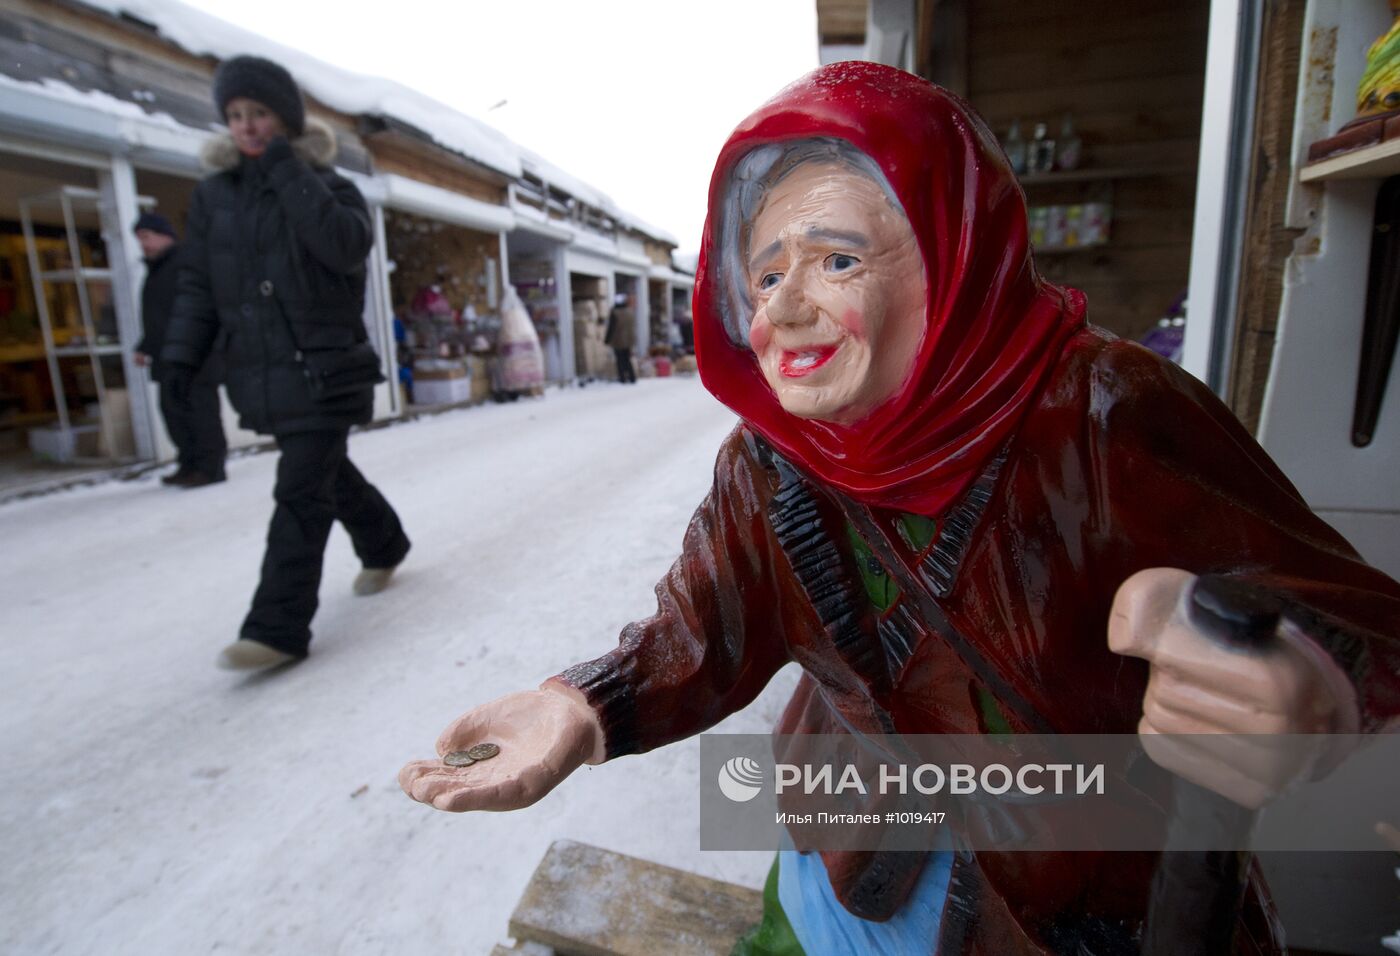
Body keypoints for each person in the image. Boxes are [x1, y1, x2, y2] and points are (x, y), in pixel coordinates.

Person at [400, 64, 1400, 953]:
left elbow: (1350, 618)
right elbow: (704, 623)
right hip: (842, 844)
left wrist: (1298, 675)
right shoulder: (770, 461)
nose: (785, 309)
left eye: (836, 259)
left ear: (951, 257)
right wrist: (584, 702)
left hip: (1084, 896)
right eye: (764, 272)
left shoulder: (1102, 414)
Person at [162, 55, 410, 672]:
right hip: (263, 372)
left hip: (327, 369)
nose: (247, 126)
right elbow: (198, 285)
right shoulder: (214, 197)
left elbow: (345, 246)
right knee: (328, 475)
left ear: (286, 119)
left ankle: (276, 627)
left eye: (260, 113)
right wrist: (181, 356)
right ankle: (385, 542)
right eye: (236, 115)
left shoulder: (328, 184)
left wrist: (285, 168)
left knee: (301, 488)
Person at [132, 212, 227, 487]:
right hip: (167, 357)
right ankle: (188, 464)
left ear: (165, 235)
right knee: (173, 413)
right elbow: (158, 316)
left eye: (146, 237)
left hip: (196, 355)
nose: (143, 244)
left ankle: (211, 468)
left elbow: (202, 309)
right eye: (139, 239)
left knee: (201, 412)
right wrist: (145, 346)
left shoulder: (187, 263)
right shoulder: (156, 271)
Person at [605, 292, 638, 383]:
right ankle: (632, 377)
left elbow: (611, 327)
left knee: (620, 360)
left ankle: (622, 378)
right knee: (627, 359)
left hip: (618, 340)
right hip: (629, 340)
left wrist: (607, 340)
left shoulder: (615, 312)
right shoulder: (629, 311)